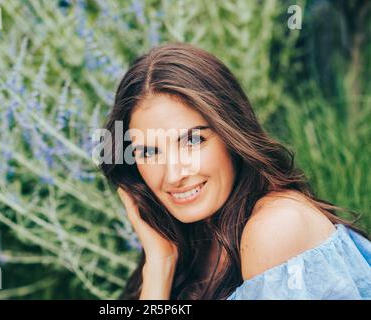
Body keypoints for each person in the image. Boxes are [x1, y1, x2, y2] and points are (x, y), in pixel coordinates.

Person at [99, 42, 371, 299]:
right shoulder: (190, 238)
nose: (173, 175)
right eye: (148, 152)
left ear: (232, 135)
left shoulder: (274, 229)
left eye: (193, 141)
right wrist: (159, 263)